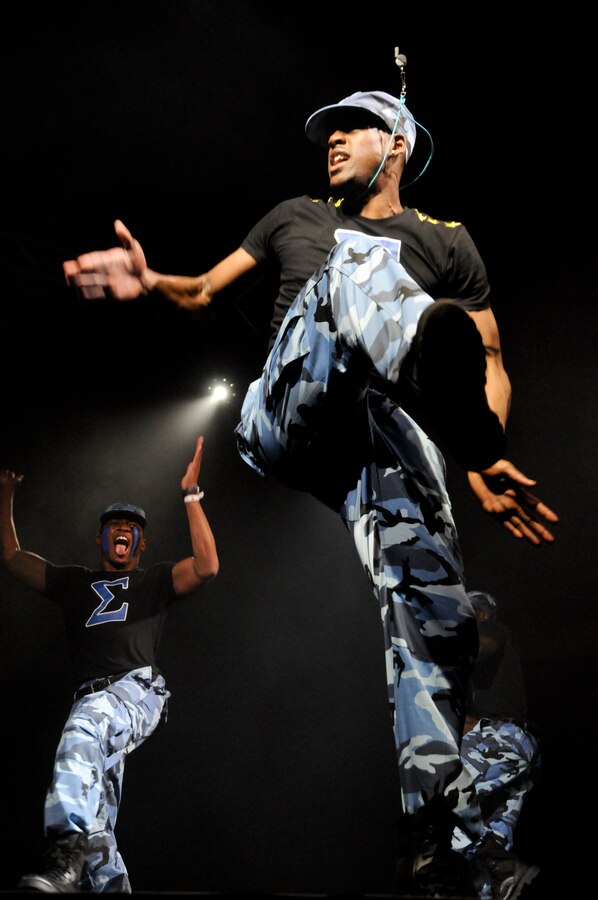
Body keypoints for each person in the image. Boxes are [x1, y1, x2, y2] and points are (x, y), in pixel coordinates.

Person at [62, 84, 558, 897]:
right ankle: (418, 371)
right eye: (326, 133)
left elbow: (492, 356)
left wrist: (483, 449)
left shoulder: (447, 239)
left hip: (376, 438)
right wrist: (149, 280)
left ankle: (432, 839)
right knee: (358, 259)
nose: (332, 142)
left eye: (352, 129)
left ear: (396, 143)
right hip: (290, 407)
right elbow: (201, 293)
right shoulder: (298, 215)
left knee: (436, 606)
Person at [0, 435, 219, 893]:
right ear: (100, 538)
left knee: (82, 729)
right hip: (94, 699)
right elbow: (12, 557)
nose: (122, 529)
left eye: (131, 526)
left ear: (140, 542)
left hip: (134, 692)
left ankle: (63, 850)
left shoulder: (153, 580)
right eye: (114, 524)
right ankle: (105, 879)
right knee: (98, 821)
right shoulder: (77, 584)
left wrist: (191, 495)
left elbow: (206, 566)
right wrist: (5, 497)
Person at [452, 590, 542, 899]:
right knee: (487, 847)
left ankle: (500, 862)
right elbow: (465, 724)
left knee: (440, 797)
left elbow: (481, 645)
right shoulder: (473, 682)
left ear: (485, 614)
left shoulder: (492, 631)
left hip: (506, 738)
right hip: (510, 748)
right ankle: (501, 876)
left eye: (473, 611)